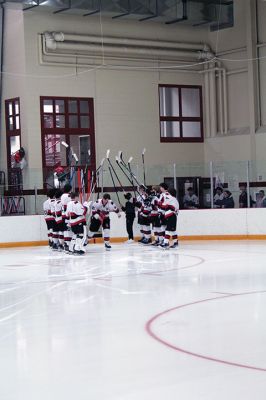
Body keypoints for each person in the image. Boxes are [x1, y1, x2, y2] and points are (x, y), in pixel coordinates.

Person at [61, 183, 72, 252]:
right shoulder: (68, 196)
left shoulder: (62, 195)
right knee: (69, 230)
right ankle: (68, 245)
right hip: (67, 215)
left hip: (63, 214)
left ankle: (66, 244)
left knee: (65, 230)